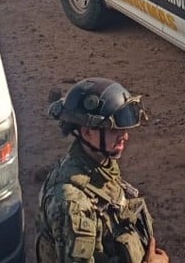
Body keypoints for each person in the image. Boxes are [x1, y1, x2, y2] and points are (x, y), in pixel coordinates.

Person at [37, 77, 170, 263]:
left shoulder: (98, 165)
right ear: (87, 132)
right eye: (114, 130)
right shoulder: (71, 203)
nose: (125, 137)